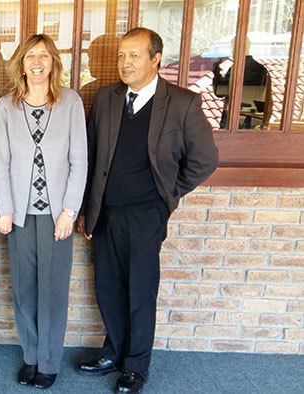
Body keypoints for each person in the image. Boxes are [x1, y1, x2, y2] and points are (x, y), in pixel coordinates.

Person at [75, 28, 218, 393]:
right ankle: (113, 351)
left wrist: (166, 195)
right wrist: (83, 208)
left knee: (140, 291)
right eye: (122, 55)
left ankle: (136, 365)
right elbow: (90, 157)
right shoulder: (106, 98)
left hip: (145, 216)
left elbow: (204, 160)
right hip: (105, 212)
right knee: (107, 288)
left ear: (156, 59)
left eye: (134, 55)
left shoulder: (182, 103)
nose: (125, 63)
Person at [0, 34, 88, 389]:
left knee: (52, 290)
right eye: (31, 55)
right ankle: (30, 356)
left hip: (56, 218)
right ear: (21, 62)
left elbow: (79, 162)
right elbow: (1, 164)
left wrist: (69, 210)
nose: (37, 62)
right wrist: (5, 209)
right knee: (24, 289)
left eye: (44, 56)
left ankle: (48, 361)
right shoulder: (6, 107)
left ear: (53, 63)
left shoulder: (71, 103)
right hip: (18, 215)